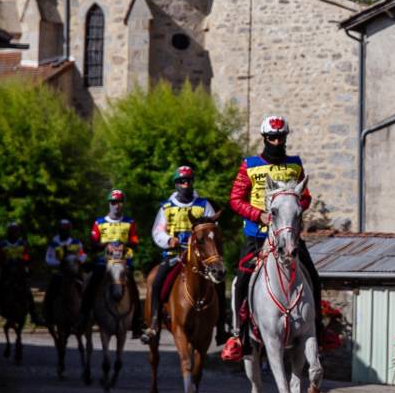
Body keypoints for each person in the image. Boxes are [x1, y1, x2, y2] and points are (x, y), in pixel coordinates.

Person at [221, 114, 323, 362]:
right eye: (272, 138)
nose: (277, 142)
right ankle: (238, 335)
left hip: (287, 234)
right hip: (256, 235)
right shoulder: (249, 165)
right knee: (241, 281)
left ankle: (319, 329)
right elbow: (235, 199)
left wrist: (292, 210)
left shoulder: (295, 164)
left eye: (281, 138)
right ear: (265, 138)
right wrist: (259, 215)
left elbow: (305, 197)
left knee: (313, 275)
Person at [141, 168, 217, 343]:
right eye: (182, 181)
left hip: (199, 257)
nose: (185, 184)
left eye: (188, 180)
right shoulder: (166, 207)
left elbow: (212, 229)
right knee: (156, 281)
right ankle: (154, 323)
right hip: (174, 254)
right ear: (176, 184)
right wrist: (169, 240)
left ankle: (221, 328)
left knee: (217, 283)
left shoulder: (204, 205)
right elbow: (157, 231)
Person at [78, 189, 144, 337]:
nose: (116, 205)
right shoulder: (99, 222)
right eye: (113, 202)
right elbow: (92, 244)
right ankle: (83, 317)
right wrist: (105, 245)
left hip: (123, 262)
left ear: (123, 204)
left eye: (119, 202)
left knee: (133, 288)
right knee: (91, 284)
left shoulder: (130, 222)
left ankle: (137, 322)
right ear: (109, 204)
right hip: (104, 262)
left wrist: (123, 244)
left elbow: (135, 241)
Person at [43, 219, 85, 326]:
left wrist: (78, 260)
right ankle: (47, 315)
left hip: (73, 274)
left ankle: (86, 314)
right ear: (59, 230)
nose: (64, 231)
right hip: (59, 274)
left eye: (66, 229)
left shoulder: (76, 242)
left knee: (85, 289)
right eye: (62, 229)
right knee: (50, 292)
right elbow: (48, 258)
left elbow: (82, 255)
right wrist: (60, 263)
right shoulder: (53, 244)